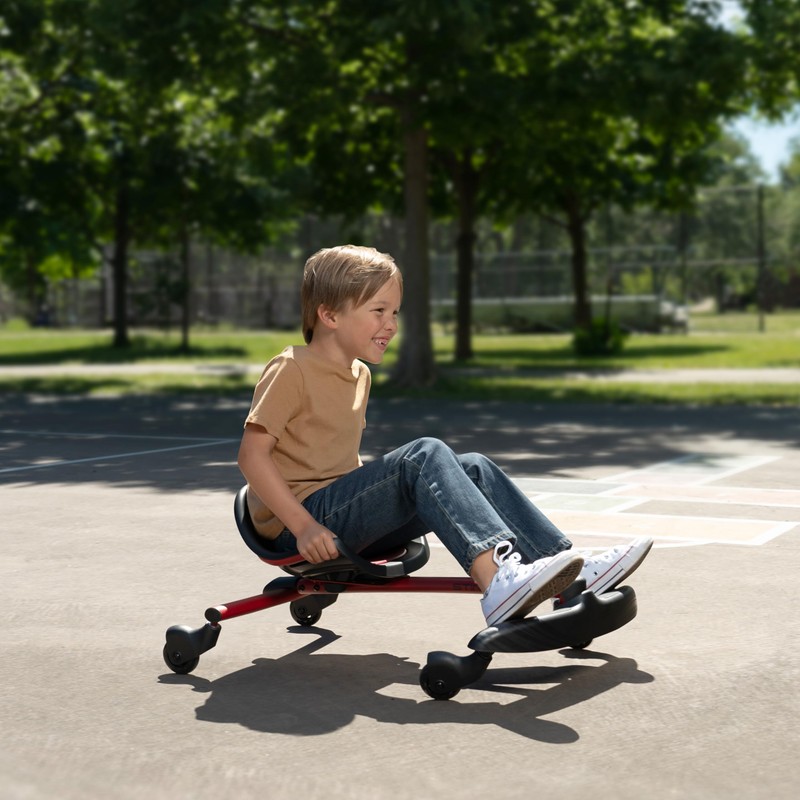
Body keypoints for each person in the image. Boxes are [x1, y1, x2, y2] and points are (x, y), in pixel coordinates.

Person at [238, 245, 653, 627]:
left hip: (339, 509)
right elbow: (252, 457)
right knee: (425, 453)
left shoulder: (359, 374)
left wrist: (375, 491)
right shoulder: (292, 367)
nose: (391, 325)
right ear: (329, 315)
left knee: (471, 466)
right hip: (300, 522)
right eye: (379, 311)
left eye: (395, 313)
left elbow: (334, 458)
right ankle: (497, 583)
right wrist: (305, 526)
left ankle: (569, 577)